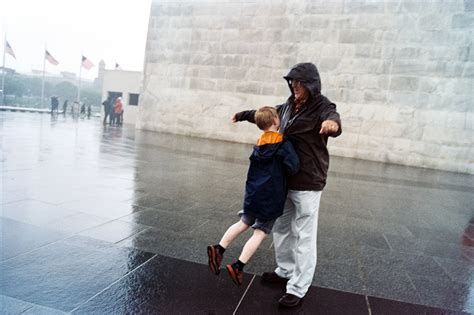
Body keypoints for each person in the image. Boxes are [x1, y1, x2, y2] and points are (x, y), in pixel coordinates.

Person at [231, 63, 342, 307]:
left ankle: (299, 287)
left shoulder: (322, 106)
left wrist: (332, 126)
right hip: (283, 179)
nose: (294, 86)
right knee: (281, 227)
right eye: (292, 82)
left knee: (303, 234)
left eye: (299, 83)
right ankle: (285, 270)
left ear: (311, 84)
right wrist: (244, 115)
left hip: (308, 180)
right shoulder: (289, 106)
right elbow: (267, 114)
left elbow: (333, 118)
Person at [207, 106, 299, 286]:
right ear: (275, 121)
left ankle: (219, 248)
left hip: (253, 193)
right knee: (260, 232)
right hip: (271, 197)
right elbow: (293, 167)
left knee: (243, 223)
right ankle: (238, 266)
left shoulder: (259, 143)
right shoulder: (283, 143)